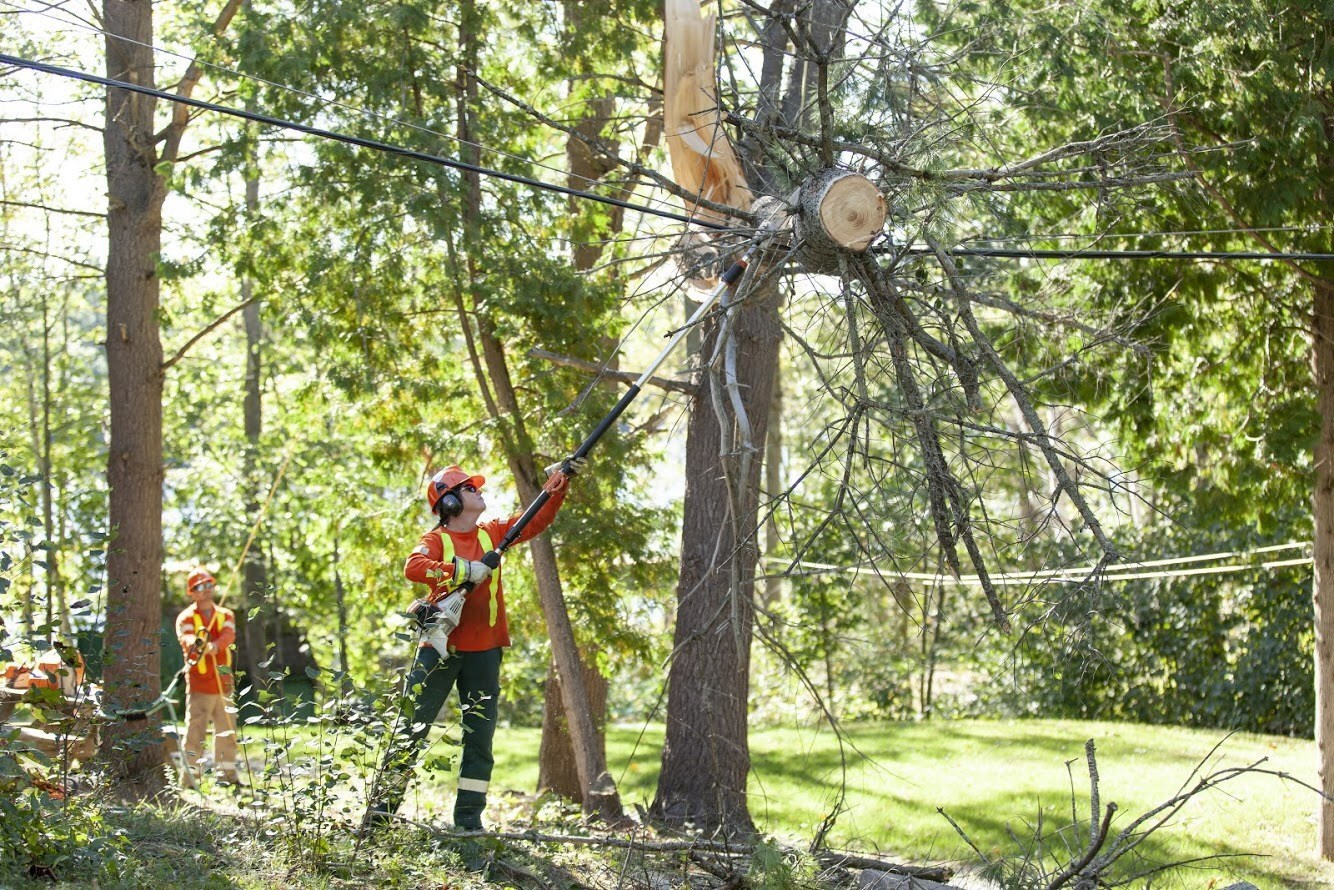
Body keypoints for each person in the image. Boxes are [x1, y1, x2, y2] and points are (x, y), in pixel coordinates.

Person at [366, 458, 583, 831]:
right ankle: (379, 818)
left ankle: (468, 820)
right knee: (411, 729)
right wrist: (463, 571)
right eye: (469, 488)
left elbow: (535, 520)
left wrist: (558, 485)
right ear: (449, 502)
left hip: (485, 650)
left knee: (480, 738)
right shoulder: (436, 540)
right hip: (439, 648)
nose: (478, 490)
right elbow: (413, 567)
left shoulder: (493, 532)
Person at [174, 567, 240, 787]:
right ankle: (190, 779)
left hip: (224, 685)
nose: (207, 589)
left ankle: (228, 777)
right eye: (201, 586)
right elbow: (186, 638)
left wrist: (215, 646)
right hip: (199, 686)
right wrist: (198, 643)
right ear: (192, 592)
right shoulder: (186, 617)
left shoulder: (226, 615)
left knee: (227, 732)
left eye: (209, 584)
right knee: (195, 733)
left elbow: (228, 635)